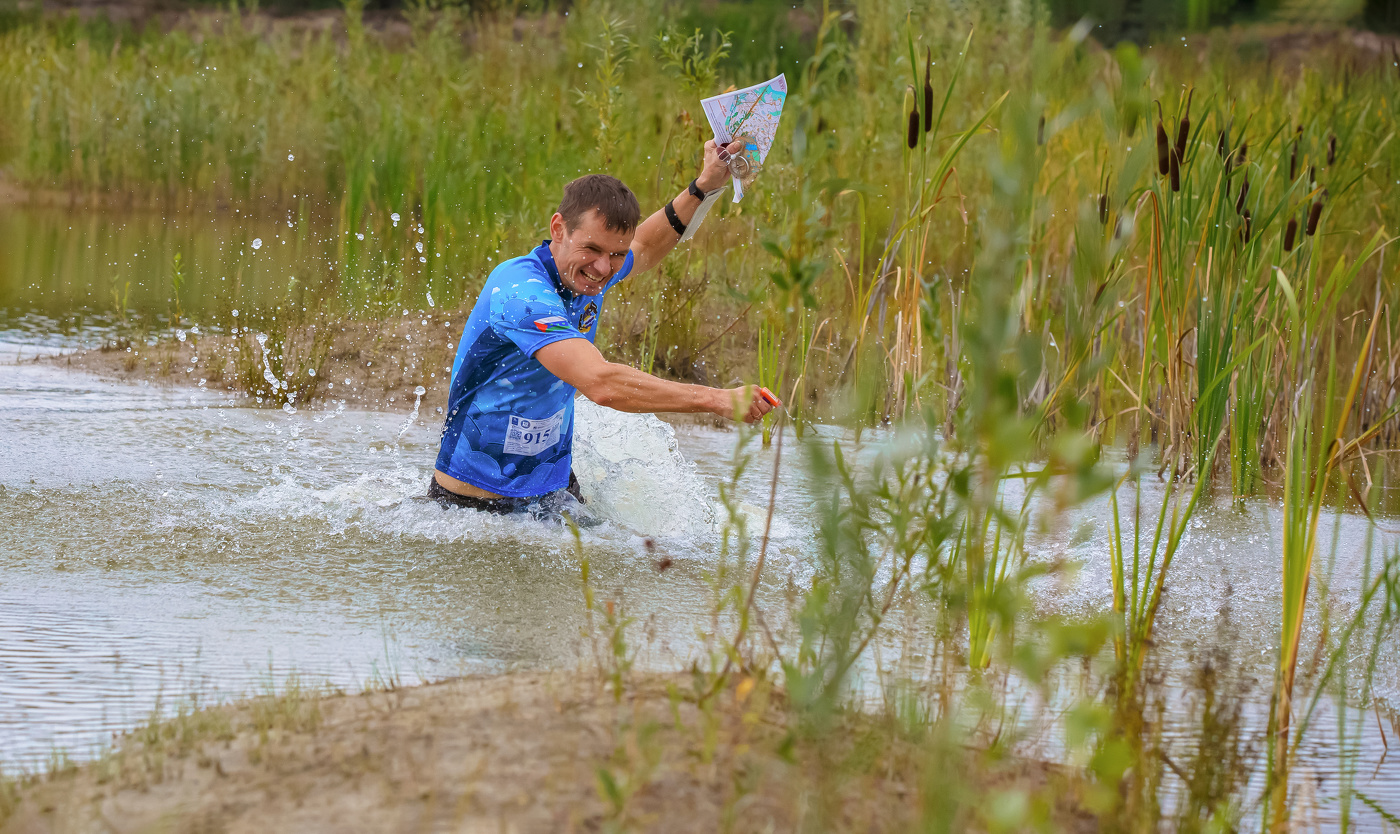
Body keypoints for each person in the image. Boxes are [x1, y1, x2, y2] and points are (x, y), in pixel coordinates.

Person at [430, 138, 778, 518]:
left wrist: (705, 186)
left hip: (552, 488)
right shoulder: (521, 293)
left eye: (615, 254)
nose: (603, 268)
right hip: (475, 505)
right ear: (558, 229)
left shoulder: (586, 274)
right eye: (593, 250)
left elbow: (644, 245)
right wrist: (716, 400)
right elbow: (601, 383)